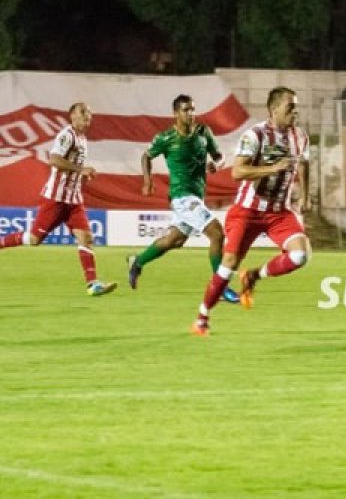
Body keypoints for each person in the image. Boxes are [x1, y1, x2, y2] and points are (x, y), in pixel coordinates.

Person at [191, 86, 311, 336]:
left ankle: (254, 276)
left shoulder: (300, 136)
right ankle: (202, 316)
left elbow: (304, 164)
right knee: (228, 265)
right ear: (274, 109)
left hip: (279, 211)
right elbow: (237, 172)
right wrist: (272, 168)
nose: (295, 112)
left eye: (296, 107)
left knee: (301, 255)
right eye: (290, 107)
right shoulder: (254, 135)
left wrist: (306, 196)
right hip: (248, 210)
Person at [126, 94, 240, 303]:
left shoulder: (203, 132)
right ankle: (220, 287)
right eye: (186, 110)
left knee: (174, 240)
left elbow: (219, 156)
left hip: (196, 196)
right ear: (175, 113)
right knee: (217, 233)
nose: (191, 113)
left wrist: (217, 164)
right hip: (182, 197)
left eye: (193, 109)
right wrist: (147, 181)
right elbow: (146, 156)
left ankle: (137, 261)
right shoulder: (166, 138)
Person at [0, 102, 117, 296]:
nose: (87, 116)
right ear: (72, 115)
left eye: (89, 113)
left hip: (74, 200)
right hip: (56, 198)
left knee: (86, 237)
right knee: (34, 239)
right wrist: (81, 169)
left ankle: (93, 284)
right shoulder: (66, 135)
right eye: (83, 112)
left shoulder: (82, 139)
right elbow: (54, 159)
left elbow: (72, 168)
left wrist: (82, 176)